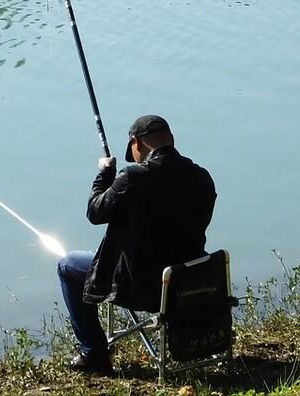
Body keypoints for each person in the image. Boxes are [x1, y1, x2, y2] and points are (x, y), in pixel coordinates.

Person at [56, 114, 217, 374]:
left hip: (142, 289)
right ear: (172, 140)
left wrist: (105, 174)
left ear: (136, 143)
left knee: (68, 265)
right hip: (185, 285)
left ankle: (94, 353)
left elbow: (95, 212)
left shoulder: (131, 178)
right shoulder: (202, 177)